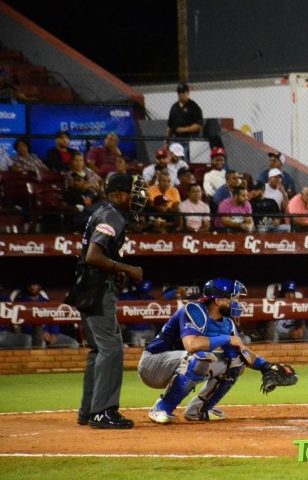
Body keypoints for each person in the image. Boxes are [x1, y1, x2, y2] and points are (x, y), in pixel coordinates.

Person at [138, 278, 287, 424]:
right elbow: (191, 345)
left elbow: (241, 351)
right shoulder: (194, 310)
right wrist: (227, 339)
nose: (235, 303)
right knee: (200, 357)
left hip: (180, 366)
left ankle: (199, 410)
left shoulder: (227, 323)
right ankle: (161, 408)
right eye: (231, 298)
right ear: (218, 300)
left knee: (236, 363)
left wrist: (266, 366)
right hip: (153, 364)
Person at [72, 172, 148, 429]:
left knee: (98, 349)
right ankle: (103, 411)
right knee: (111, 349)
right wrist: (127, 268)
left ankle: (88, 411)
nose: (137, 198)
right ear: (118, 194)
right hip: (96, 287)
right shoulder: (112, 214)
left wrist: (115, 269)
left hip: (86, 285)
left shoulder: (102, 211)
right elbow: (93, 256)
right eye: (133, 193)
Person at [14, 282, 79, 348]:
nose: (32, 287)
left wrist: (53, 333)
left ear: (39, 286)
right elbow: (23, 325)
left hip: (49, 334)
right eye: (30, 285)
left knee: (73, 344)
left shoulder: (46, 302)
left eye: (35, 285)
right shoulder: (22, 302)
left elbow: (54, 320)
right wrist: (41, 334)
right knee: (41, 344)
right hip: (32, 334)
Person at [119, 279, 158, 347]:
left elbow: (157, 317)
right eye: (141, 292)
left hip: (148, 330)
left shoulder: (151, 300)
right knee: (135, 337)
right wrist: (121, 326)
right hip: (131, 330)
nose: (142, 294)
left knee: (157, 339)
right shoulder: (126, 297)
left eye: (145, 292)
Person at [0, 283, 32, 350]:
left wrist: (16, 326)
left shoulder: (4, 298)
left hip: (6, 334)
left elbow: (14, 317)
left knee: (29, 339)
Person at [166, 83, 204, 152]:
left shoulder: (194, 106)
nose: (181, 94)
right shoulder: (174, 107)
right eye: (179, 92)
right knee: (175, 157)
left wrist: (184, 129)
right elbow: (170, 127)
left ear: (187, 93)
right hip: (177, 139)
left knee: (186, 157)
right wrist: (167, 142)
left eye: (183, 92)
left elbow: (198, 125)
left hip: (190, 139)